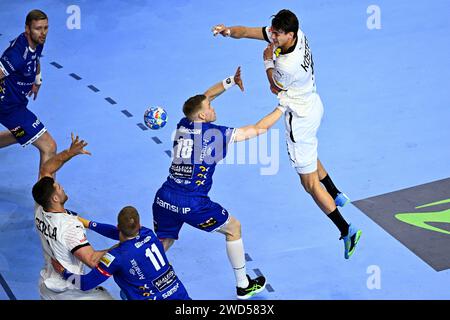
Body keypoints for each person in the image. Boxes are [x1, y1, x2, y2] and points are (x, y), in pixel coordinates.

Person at [212, 9, 362, 259]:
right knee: (309, 152)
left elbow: (274, 87)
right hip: (314, 103)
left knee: (309, 184)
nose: (272, 35)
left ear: (289, 35)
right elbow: (248, 32)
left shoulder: (287, 66)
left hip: (299, 119)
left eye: (277, 34)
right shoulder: (298, 34)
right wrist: (227, 31)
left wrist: (267, 62)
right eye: (272, 31)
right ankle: (336, 192)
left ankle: (347, 230)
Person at [152, 66, 284, 300]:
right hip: (193, 203)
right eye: (210, 108)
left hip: (164, 198)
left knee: (164, 241)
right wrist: (283, 106)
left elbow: (205, 97)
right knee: (233, 228)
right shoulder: (215, 135)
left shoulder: (184, 123)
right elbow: (258, 129)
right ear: (202, 115)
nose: (213, 107)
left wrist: (230, 81)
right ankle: (243, 285)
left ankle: (140, 282)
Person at [32, 133, 114, 300]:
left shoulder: (40, 208)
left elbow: (46, 169)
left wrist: (69, 152)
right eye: (59, 187)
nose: (62, 187)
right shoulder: (69, 227)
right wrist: (124, 246)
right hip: (69, 291)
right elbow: (92, 260)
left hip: (47, 284)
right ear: (55, 198)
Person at [51, 206, 191, 300]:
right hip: (179, 294)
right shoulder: (148, 233)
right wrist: (87, 223)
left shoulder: (115, 257)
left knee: (126, 293)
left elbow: (86, 283)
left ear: (119, 226)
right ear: (139, 225)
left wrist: (63, 272)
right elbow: (117, 232)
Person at [0, 9, 57, 178]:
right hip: (8, 107)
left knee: (21, 134)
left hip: (13, 104)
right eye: (38, 28)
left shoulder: (37, 41)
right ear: (27, 29)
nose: (43, 33)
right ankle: (45, 203)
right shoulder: (17, 55)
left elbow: (36, 59)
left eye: (46, 27)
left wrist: (37, 81)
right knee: (49, 147)